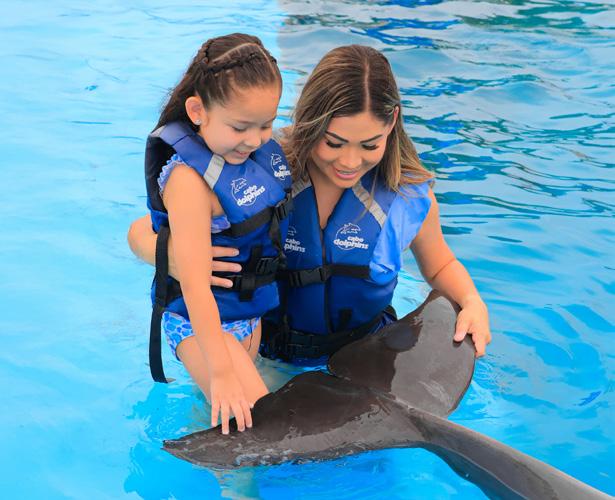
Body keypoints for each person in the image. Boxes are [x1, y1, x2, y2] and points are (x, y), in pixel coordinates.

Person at [129, 44, 490, 390]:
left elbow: (440, 265)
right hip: (265, 359)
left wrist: (472, 300)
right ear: (309, 120)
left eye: (370, 145)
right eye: (333, 143)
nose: (349, 162)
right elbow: (142, 231)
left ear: (392, 121)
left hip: (365, 363)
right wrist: (170, 256)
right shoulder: (263, 169)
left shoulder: (407, 194)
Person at [139, 33, 293, 435]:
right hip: (200, 325)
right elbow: (193, 285)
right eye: (240, 127)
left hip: (244, 314)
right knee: (258, 433)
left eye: (266, 125)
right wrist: (221, 372)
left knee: (222, 420)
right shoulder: (189, 182)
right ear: (198, 111)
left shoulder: (256, 156)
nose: (255, 140)